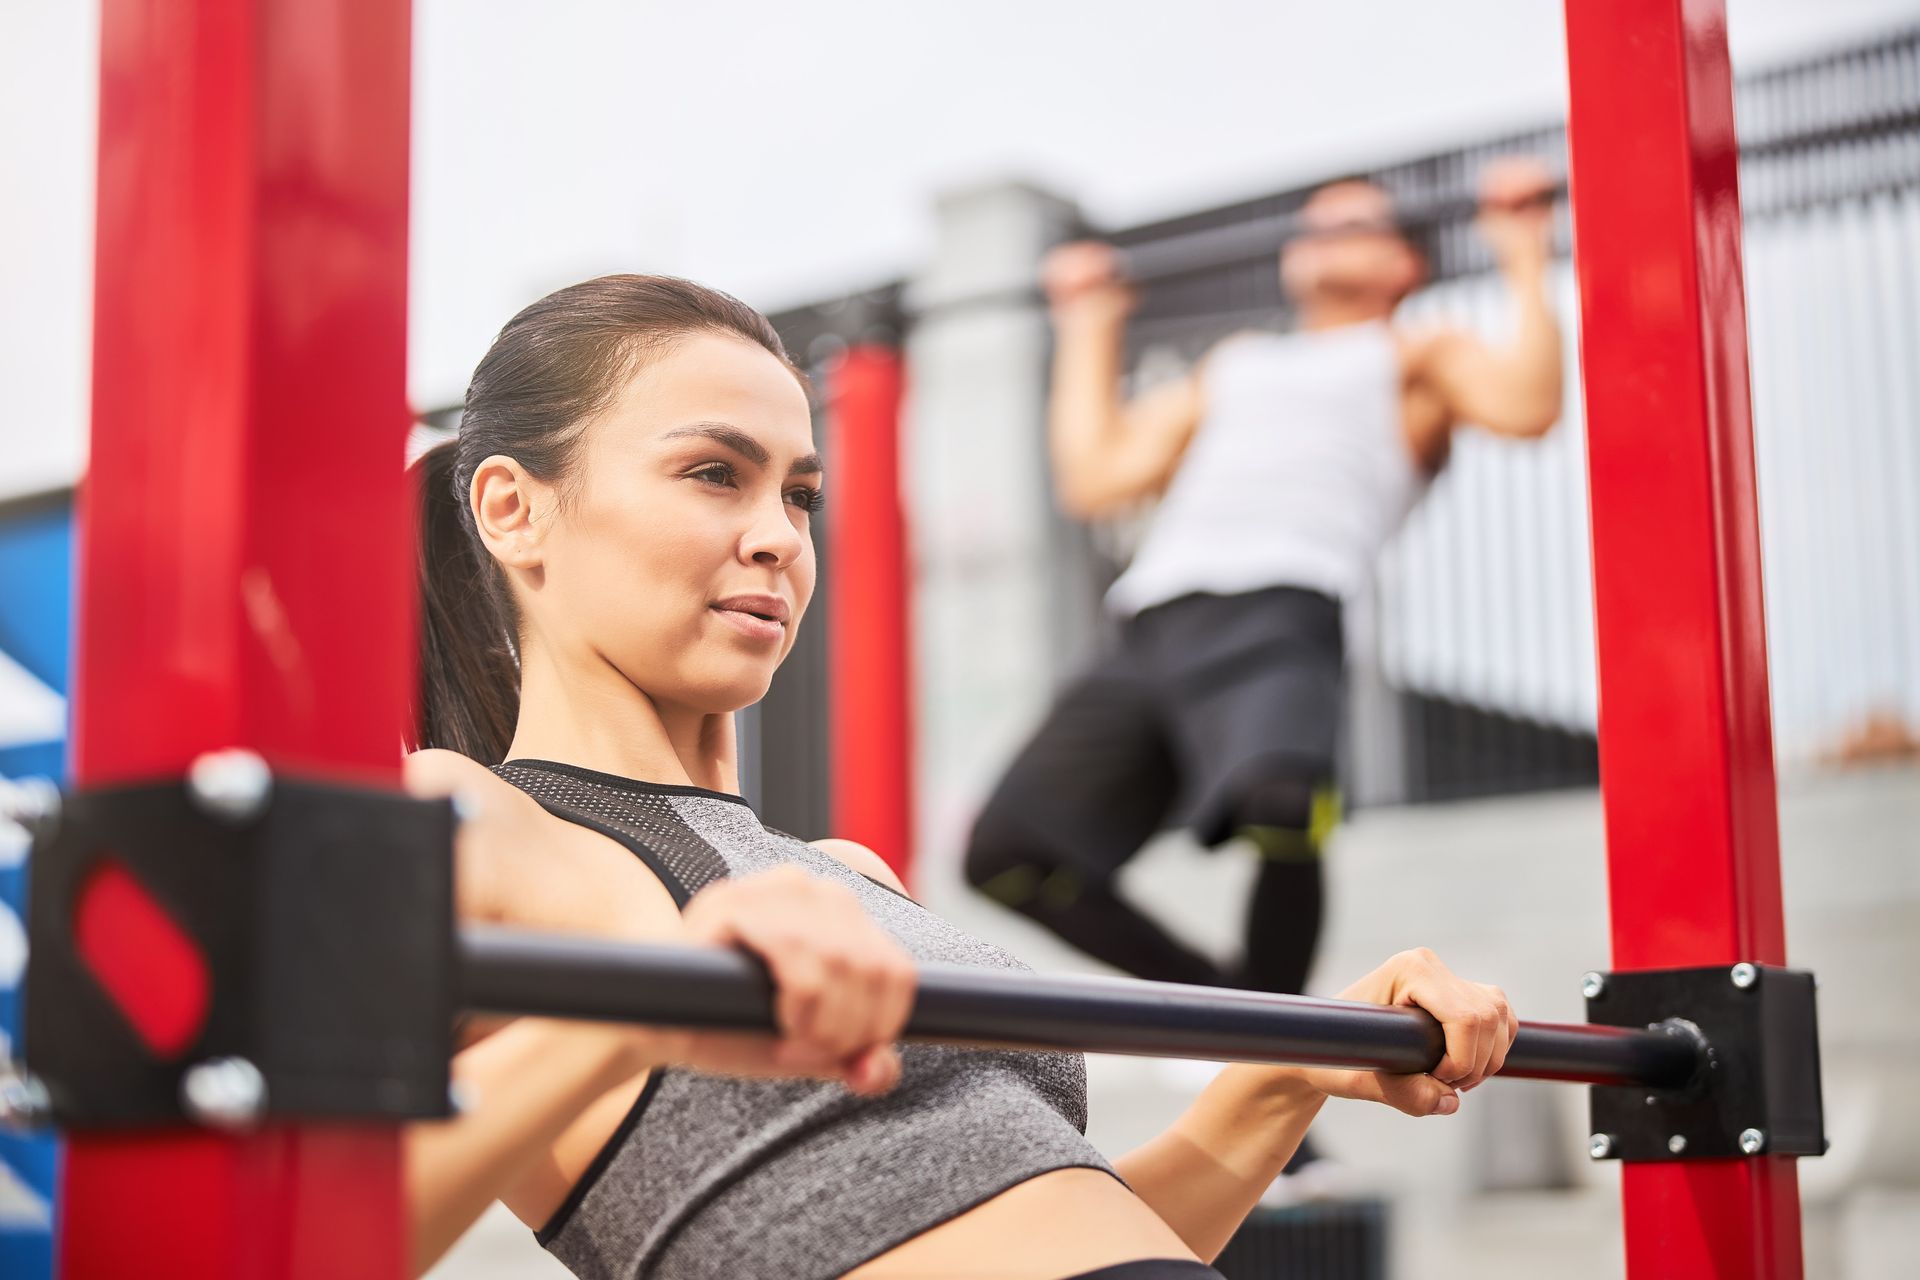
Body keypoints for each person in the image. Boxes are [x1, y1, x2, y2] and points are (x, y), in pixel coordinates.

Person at [402, 274, 1518, 1280]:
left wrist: (1293, 1067)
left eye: (800, 494)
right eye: (712, 473)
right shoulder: (470, 820)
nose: (778, 537)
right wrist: (650, 1007)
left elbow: (1071, 1233)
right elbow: (274, 1228)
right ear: (514, 507)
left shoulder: (842, 875)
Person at [962, 161, 1560, 1056]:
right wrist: (1090, 325)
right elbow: (1097, 476)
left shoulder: (1417, 354)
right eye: (1309, 228)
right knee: (1006, 859)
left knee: (1284, 806)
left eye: (1350, 225)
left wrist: (1521, 249)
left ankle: (1268, 1063)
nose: (1319, 239)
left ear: (1404, 263)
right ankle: (1248, 1030)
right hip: (1151, 626)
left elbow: (1525, 407)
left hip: (1281, 616)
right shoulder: (1236, 366)